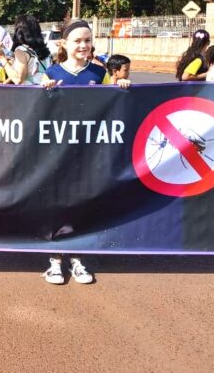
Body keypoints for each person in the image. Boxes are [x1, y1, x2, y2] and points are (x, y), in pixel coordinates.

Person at [39, 20, 130, 286]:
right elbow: (37, 111)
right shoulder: (52, 72)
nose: (83, 45)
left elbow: (111, 106)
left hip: (88, 152)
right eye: (77, 40)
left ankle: (77, 257)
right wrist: (45, 93)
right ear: (64, 44)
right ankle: (54, 260)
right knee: (57, 202)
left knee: (82, 203)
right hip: (58, 153)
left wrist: (121, 88)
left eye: (87, 40)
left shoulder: (99, 73)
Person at [0, 14, 51, 85]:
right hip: (45, 93)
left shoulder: (21, 50)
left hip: (29, 93)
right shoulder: (45, 51)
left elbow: (18, 79)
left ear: (19, 32)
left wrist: (1, 58)